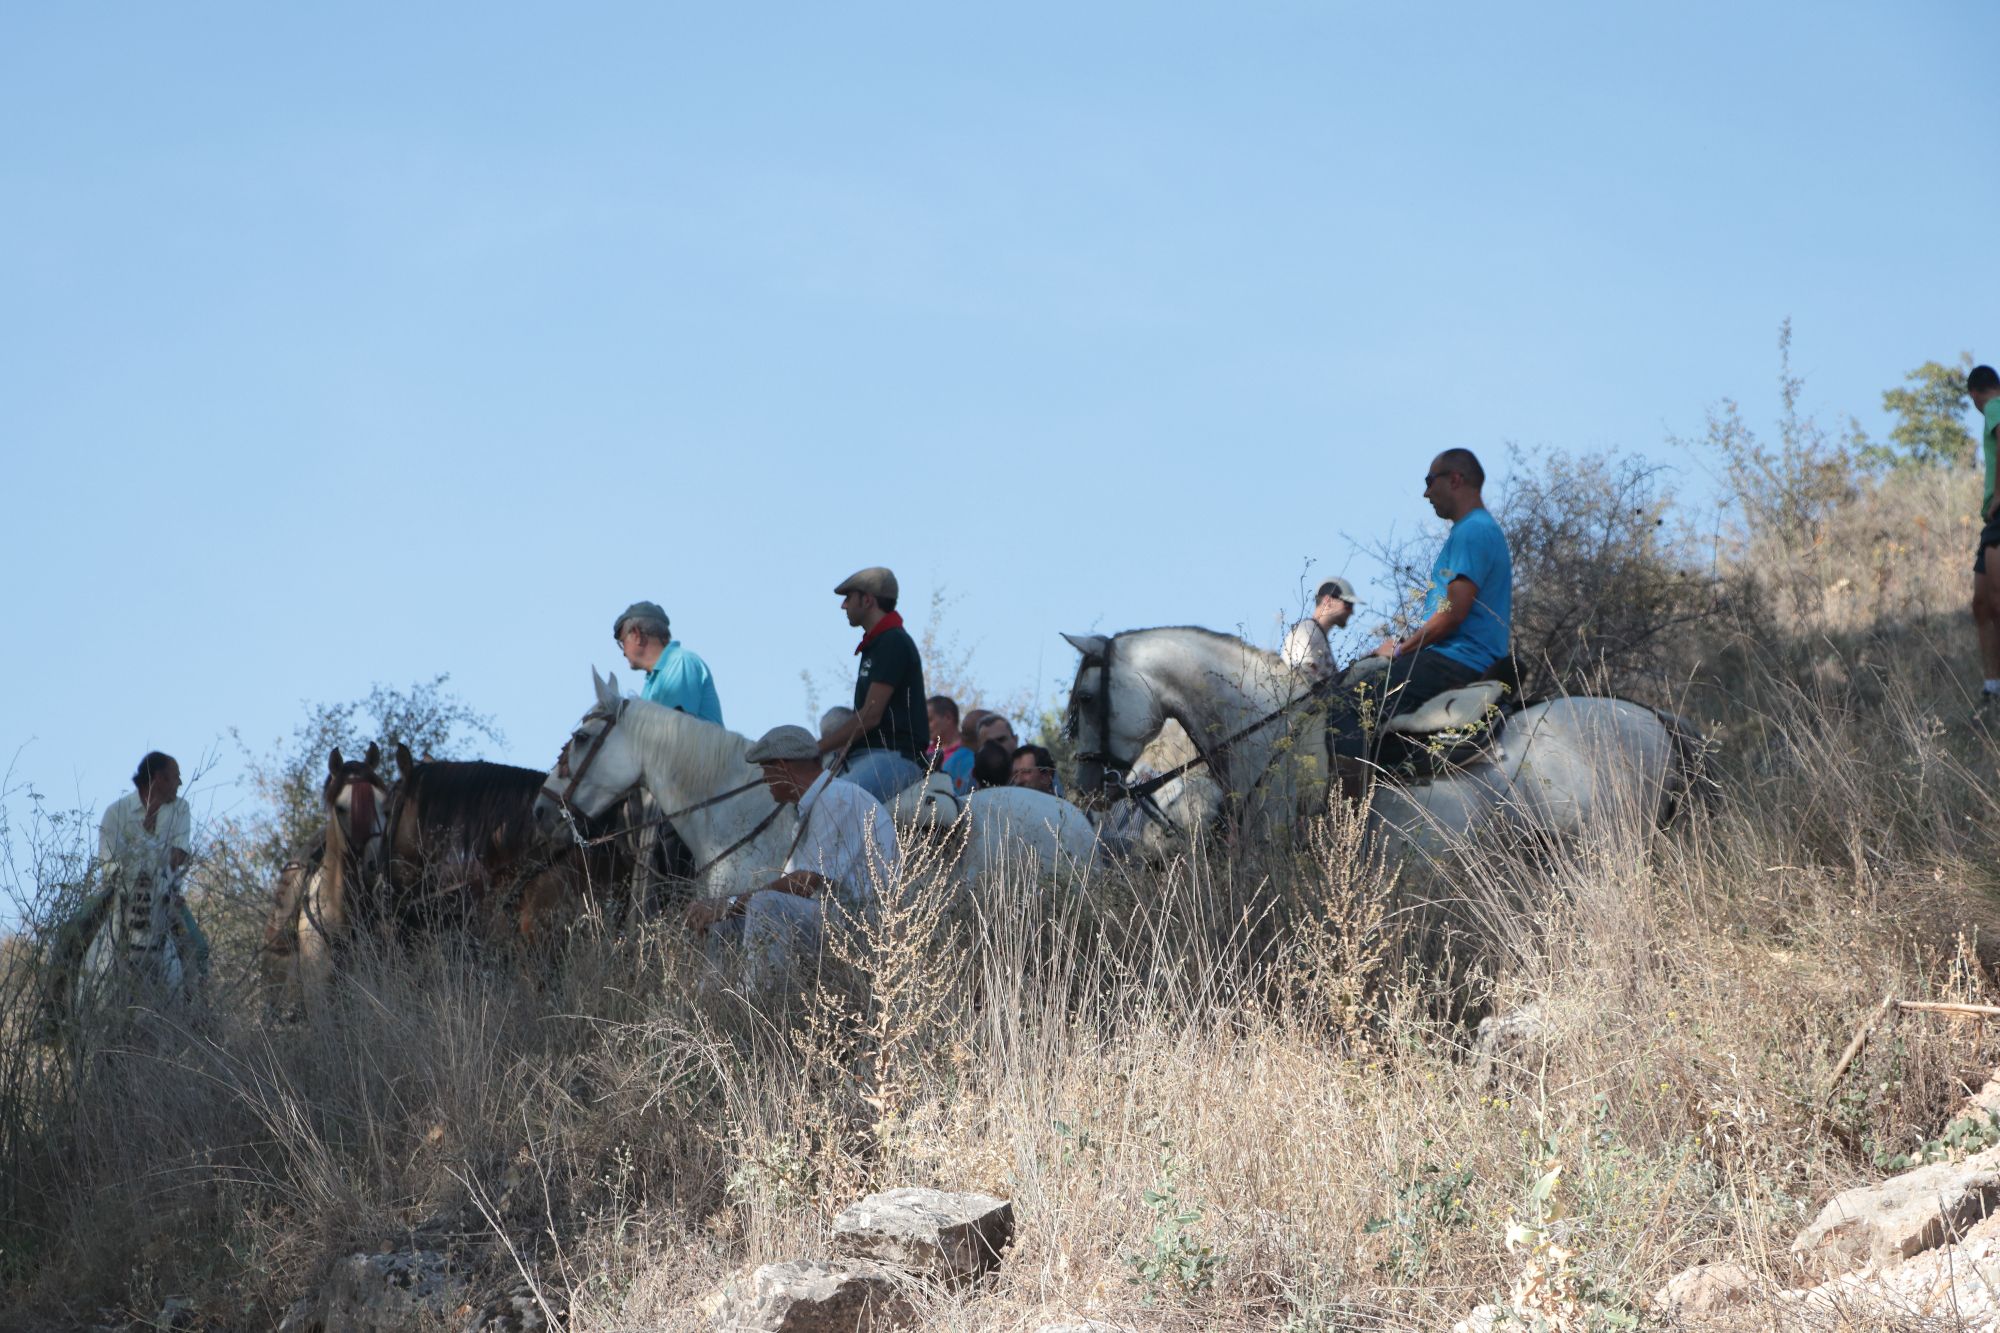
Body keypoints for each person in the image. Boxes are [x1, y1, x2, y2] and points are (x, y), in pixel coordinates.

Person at [1331, 449, 1512, 775]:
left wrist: (1401, 650)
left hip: (1455, 660)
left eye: (1430, 481)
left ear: (1454, 479)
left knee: (1345, 709)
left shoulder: (1472, 531)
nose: (1426, 493)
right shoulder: (1476, 530)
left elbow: (1453, 613)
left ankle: (1350, 806)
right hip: (1461, 658)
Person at [682, 725, 898, 989]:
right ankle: (712, 998)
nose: (765, 780)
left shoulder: (837, 798)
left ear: (782, 767)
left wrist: (728, 904)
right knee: (726, 925)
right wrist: (726, 911)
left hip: (867, 930)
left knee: (765, 905)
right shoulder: (820, 804)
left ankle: (755, 999)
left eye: (766, 770)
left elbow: (803, 884)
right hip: (843, 922)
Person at [817, 567, 929, 800]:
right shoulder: (878, 642)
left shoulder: (892, 641)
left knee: (833, 805)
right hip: (872, 756)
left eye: (849, 597)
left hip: (894, 757)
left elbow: (870, 716)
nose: (843, 605)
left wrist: (816, 748)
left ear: (867, 600)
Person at [614, 600, 723, 725]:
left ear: (636, 635)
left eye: (622, 642)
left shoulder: (679, 662)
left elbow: (674, 728)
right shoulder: (653, 680)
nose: (624, 653)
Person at [1969, 366, 2000, 714]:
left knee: (1996, 599)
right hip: (1991, 521)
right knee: (1981, 604)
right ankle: (1992, 687)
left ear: (1974, 394)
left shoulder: (1994, 406)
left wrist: (1998, 494)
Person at [1281, 575, 1360, 688]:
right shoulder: (1307, 631)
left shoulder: (1316, 634)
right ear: (1328, 601)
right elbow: (1303, 682)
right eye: (1348, 605)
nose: (1352, 612)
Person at [927, 695, 976, 797]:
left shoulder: (969, 752)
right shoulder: (923, 752)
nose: (925, 725)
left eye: (929, 720)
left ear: (948, 717)